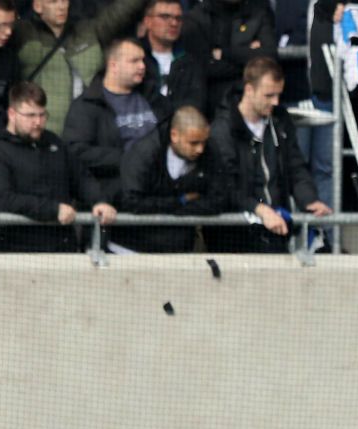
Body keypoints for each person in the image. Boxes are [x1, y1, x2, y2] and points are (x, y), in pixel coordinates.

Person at [209, 58, 330, 253]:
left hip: (275, 230)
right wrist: (260, 209)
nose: (275, 102)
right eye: (269, 95)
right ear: (249, 90)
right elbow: (225, 187)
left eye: (278, 95)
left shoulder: (280, 121)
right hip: (234, 237)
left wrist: (309, 199)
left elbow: (295, 166)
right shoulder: (223, 130)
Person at [15, 0, 151, 135]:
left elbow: (121, 11)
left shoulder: (88, 30)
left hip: (87, 130)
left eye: (64, 0)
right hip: (42, 131)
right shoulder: (23, 33)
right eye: (53, 2)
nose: (61, 6)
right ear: (37, 6)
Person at [117, 105, 228, 252]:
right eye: (193, 143)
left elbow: (218, 200)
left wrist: (172, 207)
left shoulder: (210, 151)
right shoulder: (144, 153)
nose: (200, 149)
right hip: (133, 248)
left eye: (203, 142)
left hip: (178, 248)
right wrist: (181, 201)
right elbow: (132, 201)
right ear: (174, 135)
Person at [63, 39, 156, 205]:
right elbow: (77, 152)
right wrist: (130, 159)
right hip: (114, 200)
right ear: (113, 65)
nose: (142, 66)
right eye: (134, 61)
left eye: (143, 60)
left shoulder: (153, 97)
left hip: (156, 195)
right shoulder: (87, 105)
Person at [137, 0, 205, 120]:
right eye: (165, 17)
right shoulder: (135, 58)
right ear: (147, 21)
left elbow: (195, 104)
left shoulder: (190, 61)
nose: (174, 23)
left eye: (178, 18)